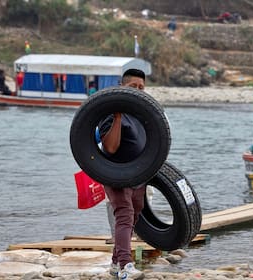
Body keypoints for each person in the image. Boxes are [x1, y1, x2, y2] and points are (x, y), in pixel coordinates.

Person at [98, 69, 147, 280]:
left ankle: (114, 263)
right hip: (115, 172)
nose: (137, 91)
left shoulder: (143, 114)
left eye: (141, 88)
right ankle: (126, 267)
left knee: (135, 211)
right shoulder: (109, 112)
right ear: (122, 87)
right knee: (125, 213)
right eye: (132, 87)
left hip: (138, 174)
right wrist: (118, 115)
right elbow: (110, 147)